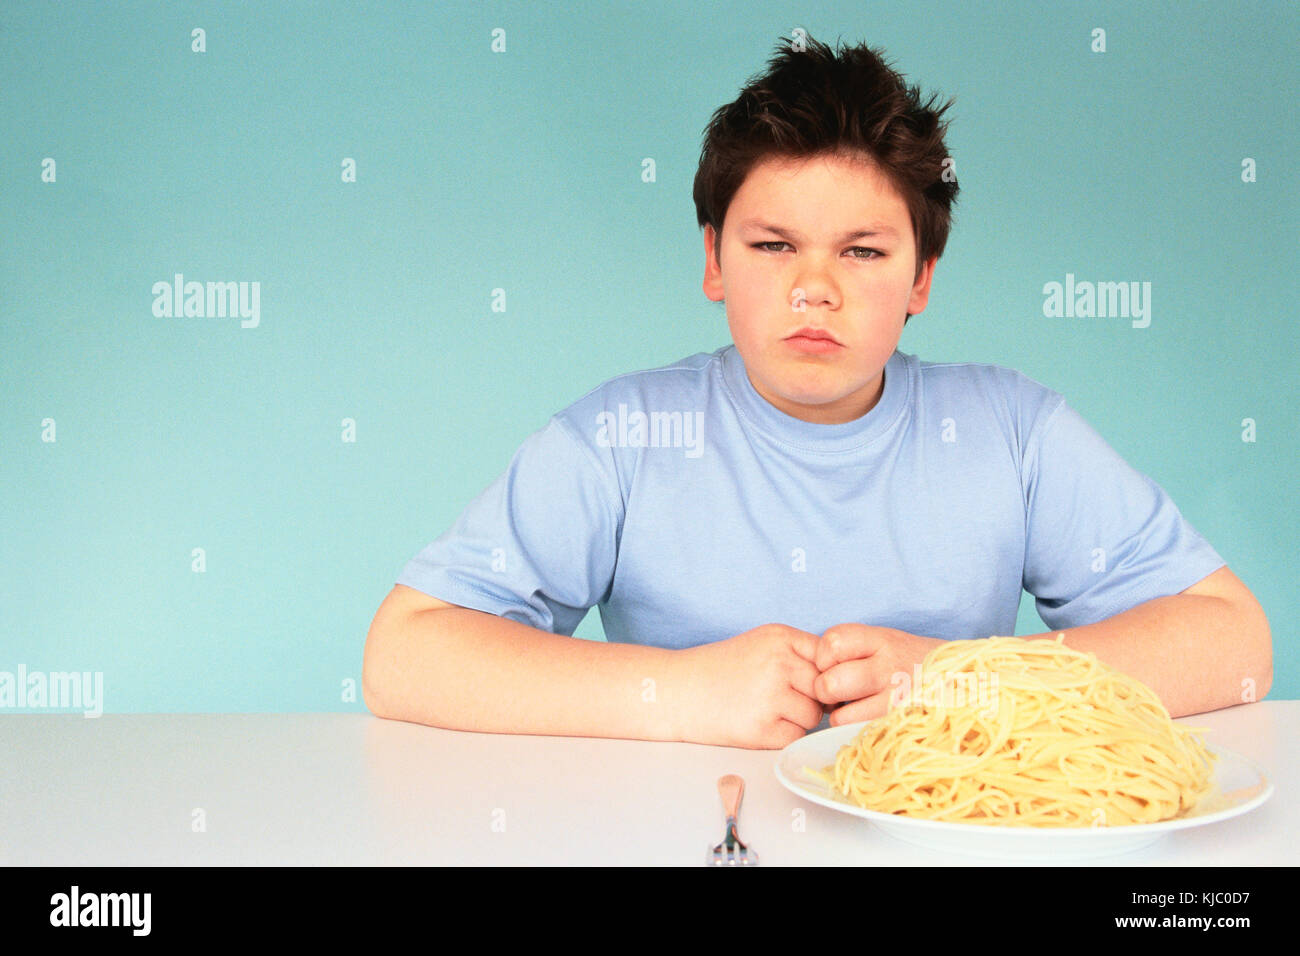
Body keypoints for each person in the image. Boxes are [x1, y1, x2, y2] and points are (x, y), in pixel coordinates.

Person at [362, 36, 1272, 749]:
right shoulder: (626, 434)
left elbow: (1233, 642)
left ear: (923, 278)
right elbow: (405, 654)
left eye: (864, 252)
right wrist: (678, 694)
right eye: (772, 246)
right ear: (714, 259)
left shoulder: (1012, 429)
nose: (814, 289)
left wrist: (967, 677)